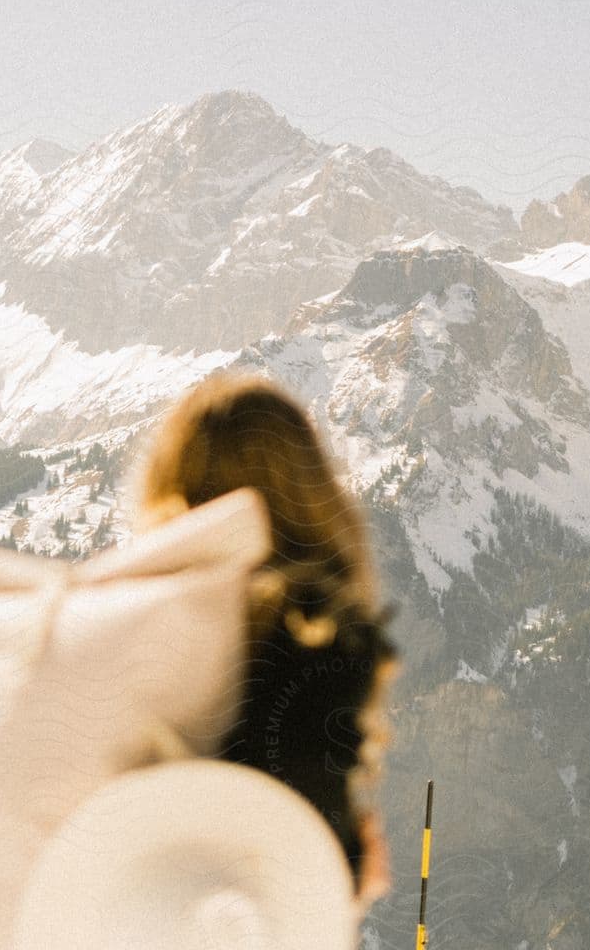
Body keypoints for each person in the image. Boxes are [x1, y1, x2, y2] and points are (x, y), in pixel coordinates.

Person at [129, 372, 398, 906]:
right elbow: (295, 847)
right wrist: (354, 862)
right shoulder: (309, 633)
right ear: (311, 497)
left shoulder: (89, 616)